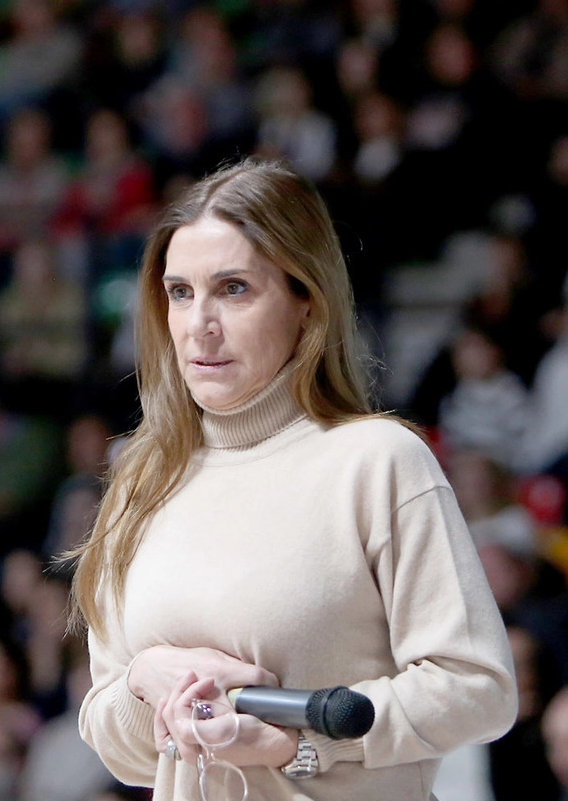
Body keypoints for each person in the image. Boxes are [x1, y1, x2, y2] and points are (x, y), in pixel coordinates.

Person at [71, 158, 517, 800]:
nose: (199, 324)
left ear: (305, 301)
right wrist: (149, 682)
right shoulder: (140, 480)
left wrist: (301, 742)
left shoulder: (378, 460)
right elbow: (116, 741)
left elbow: (478, 689)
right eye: (180, 292)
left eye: (233, 289)